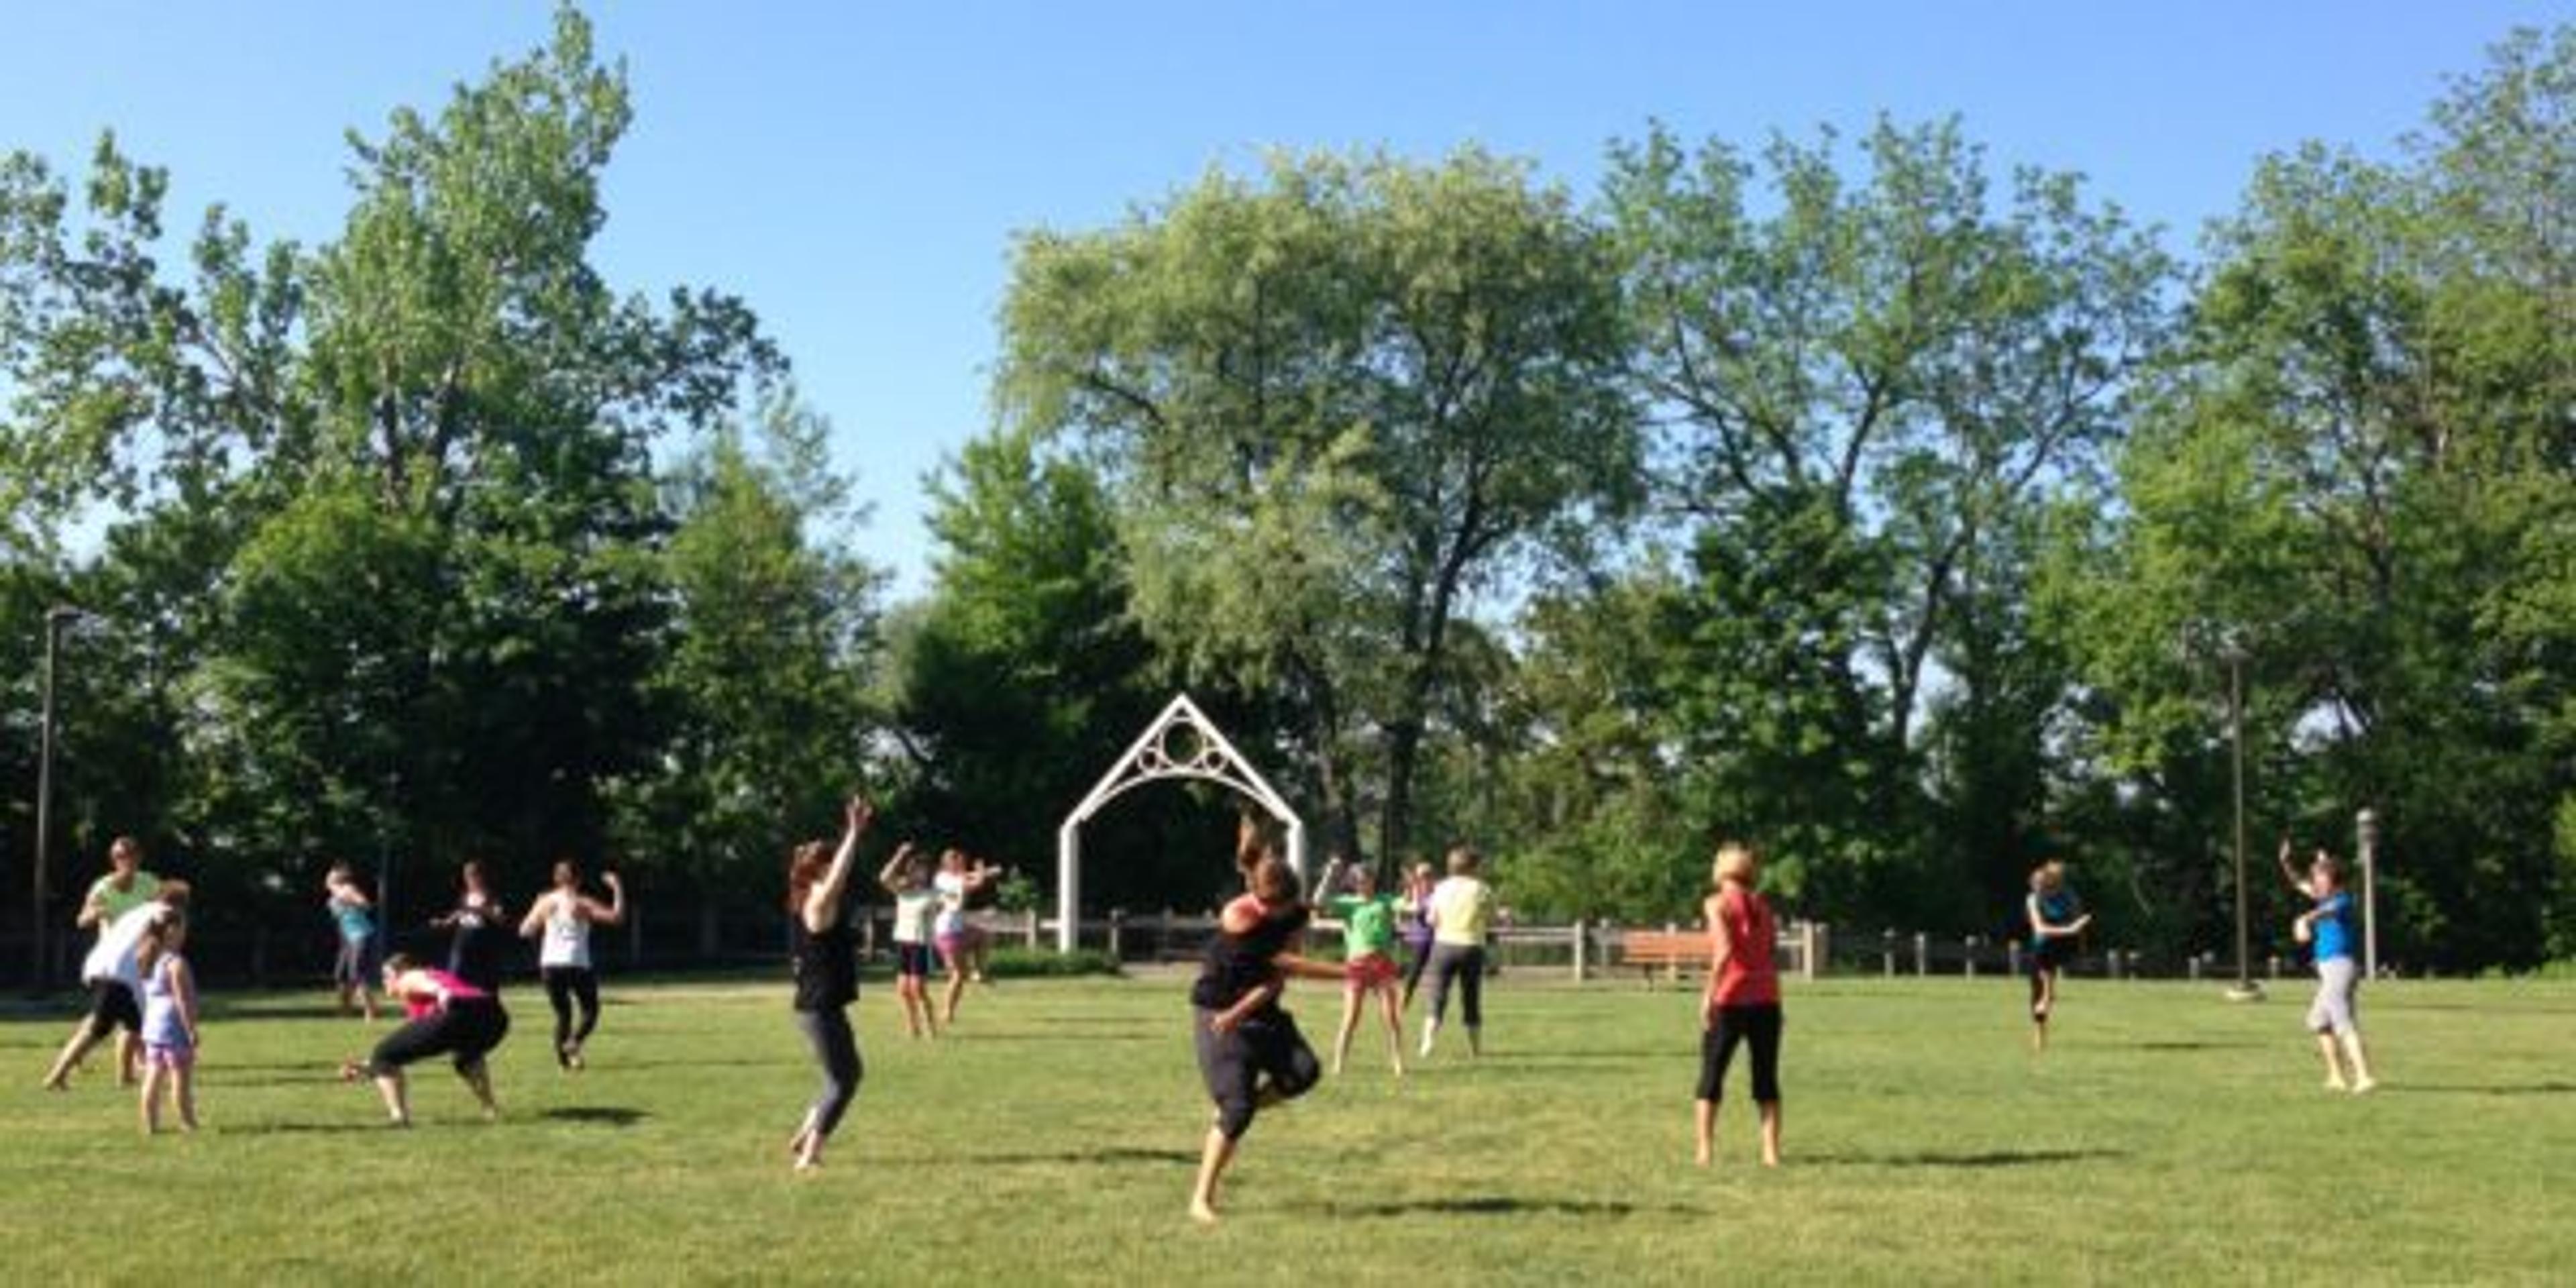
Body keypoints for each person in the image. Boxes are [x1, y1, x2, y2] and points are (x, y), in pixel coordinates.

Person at [1187, 832, 1347, 1225]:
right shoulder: (1240, 921)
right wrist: (1350, 972)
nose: (1290, 914)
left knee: (1303, 1073)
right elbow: (1287, 967)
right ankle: (1201, 1199)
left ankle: (1228, 1116)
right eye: (1283, 908)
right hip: (1219, 1015)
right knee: (1238, 1109)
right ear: (1263, 902)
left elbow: (1274, 982)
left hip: (1260, 1009)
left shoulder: (1286, 908)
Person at [786, 796, 873, 1171]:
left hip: (822, 1006)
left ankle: (806, 1136)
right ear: (818, 869)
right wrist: (853, 832)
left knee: (840, 1076)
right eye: (830, 859)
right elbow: (839, 875)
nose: (836, 864)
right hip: (820, 1009)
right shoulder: (818, 901)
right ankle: (810, 1156)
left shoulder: (809, 897)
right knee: (845, 1082)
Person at [44, 880, 190, 1092]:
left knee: (130, 1025)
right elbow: (171, 945)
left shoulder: (141, 910)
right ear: (180, 903)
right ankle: (58, 1076)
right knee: (100, 1028)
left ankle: (125, 1076)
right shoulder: (170, 914)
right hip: (123, 973)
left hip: (101, 965)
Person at [339, 955, 509, 1126]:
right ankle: (491, 1109)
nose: (384, 981)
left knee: (384, 1054)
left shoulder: (409, 977)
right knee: (466, 1058)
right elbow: (414, 1045)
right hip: (493, 1016)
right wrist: (369, 1067)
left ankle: (399, 1118)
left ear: (402, 970)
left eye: (387, 975)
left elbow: (422, 982)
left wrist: (440, 991)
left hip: (458, 1010)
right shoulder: (422, 993)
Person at [1695, 843, 1782, 1168]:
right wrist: (1779, 1003)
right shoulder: (1764, 906)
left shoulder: (1715, 904)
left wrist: (1707, 996)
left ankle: (1705, 1151)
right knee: (1766, 1077)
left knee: (1712, 1075)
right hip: (1766, 999)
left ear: (1720, 871)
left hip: (1730, 998)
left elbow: (1724, 951)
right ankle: (1770, 1153)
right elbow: (1771, 957)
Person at [2279, 839, 2377, 1093]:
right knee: (2319, 1022)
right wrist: (2286, 862)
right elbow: (2297, 882)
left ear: (2334, 879)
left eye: (2321, 876)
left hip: (2339, 967)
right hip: (2329, 969)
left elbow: (2324, 914)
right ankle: (2336, 1077)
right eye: (2315, 876)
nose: (2315, 881)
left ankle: (2364, 1077)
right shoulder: (2324, 898)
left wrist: (2304, 920)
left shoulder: (2342, 900)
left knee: (2342, 1021)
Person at [67, 837, 163, 1086]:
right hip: (113, 961)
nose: (125, 859)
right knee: (117, 1016)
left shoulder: (149, 883)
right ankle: (72, 1065)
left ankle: (133, 1065)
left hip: (141, 958)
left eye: (130, 854)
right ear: (114, 860)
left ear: (139, 857)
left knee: (124, 1015)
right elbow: (81, 920)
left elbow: (162, 913)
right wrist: (95, 913)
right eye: (119, 856)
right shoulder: (103, 887)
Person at [518, 860, 625, 1071]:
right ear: (578, 879)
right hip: (576, 962)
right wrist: (617, 887)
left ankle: (565, 1064)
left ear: (556, 879)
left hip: (549, 964)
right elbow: (617, 918)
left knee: (563, 1015)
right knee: (590, 1010)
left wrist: (537, 909)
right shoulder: (581, 902)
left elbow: (524, 931)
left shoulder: (545, 901)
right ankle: (574, 1043)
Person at [1317, 857, 1405, 1078]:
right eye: (1361, 881)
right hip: (1357, 965)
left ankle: (1398, 1063)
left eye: (1369, 880)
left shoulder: (1385, 900)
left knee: (1391, 1016)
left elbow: (1408, 905)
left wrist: (1413, 884)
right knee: (1351, 1016)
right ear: (1355, 883)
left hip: (1382, 963)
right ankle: (1339, 1064)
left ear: (1374, 881)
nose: (1366, 884)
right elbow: (1318, 901)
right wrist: (1329, 874)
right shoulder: (1348, 903)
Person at [1417, 845, 1496, 1059]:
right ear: (1473, 867)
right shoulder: (1482, 889)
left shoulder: (1440, 888)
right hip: (1472, 947)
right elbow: (1491, 919)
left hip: (1444, 946)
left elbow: (1430, 920)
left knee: (1437, 996)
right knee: (1471, 998)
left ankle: (1427, 1043)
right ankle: (1475, 1049)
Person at [135, 912, 201, 1136]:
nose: (185, 934)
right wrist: (191, 1029)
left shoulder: (148, 958)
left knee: (153, 1076)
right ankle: (188, 1123)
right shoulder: (176, 963)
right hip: (174, 1028)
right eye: (183, 929)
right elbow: (184, 1000)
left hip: (152, 1029)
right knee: (180, 1078)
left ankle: (150, 1126)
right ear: (171, 931)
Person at [2024, 860, 2092, 1053]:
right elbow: (2039, 929)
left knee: (2044, 987)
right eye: (2035, 884)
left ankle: (2048, 992)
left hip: (2060, 947)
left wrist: (2082, 951)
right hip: (2043, 948)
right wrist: (2071, 929)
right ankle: (2040, 1031)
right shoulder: (2032, 899)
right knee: (2037, 998)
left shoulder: (2069, 896)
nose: (2038, 887)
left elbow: (2080, 928)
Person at [879, 842, 940, 1040]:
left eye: (922, 870)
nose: (918, 873)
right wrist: (899, 853)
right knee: (903, 990)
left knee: (918, 989)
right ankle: (913, 1027)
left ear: (928, 873)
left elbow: (949, 901)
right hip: (903, 942)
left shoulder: (932, 894)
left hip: (920, 944)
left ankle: (931, 1028)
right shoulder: (903, 890)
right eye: (914, 870)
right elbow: (884, 877)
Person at [932, 849, 1000, 1027]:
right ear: (947, 864)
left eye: (963, 862)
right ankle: (948, 1011)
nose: (962, 864)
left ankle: (979, 972)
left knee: (984, 935)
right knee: (958, 975)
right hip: (947, 931)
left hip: (957, 929)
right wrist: (983, 872)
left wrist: (981, 873)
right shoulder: (944, 878)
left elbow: (968, 878)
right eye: (958, 862)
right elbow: (974, 883)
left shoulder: (951, 877)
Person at [429, 860, 511, 994]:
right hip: (463, 940)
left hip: (483, 942)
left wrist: (481, 910)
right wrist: (444, 922)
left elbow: (500, 918)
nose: (468, 879)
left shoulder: (492, 896)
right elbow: (459, 913)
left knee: (486, 982)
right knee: (456, 974)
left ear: (481, 876)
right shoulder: (465, 896)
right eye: (466, 876)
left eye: (472, 875)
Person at [324, 863, 382, 1022]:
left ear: (337, 878)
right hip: (348, 939)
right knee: (341, 975)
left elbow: (365, 904)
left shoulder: (347, 889)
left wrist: (350, 901)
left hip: (362, 935)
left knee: (357, 974)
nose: (327, 877)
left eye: (330, 875)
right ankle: (345, 1012)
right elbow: (342, 920)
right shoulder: (332, 897)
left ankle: (371, 1011)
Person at [1396, 861, 1438, 1010]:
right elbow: (1410, 909)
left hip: (1438, 939)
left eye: (1427, 876)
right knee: (1415, 971)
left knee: (1437, 973)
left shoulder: (1438, 894)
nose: (1424, 880)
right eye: (1421, 877)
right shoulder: (1415, 892)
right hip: (1421, 938)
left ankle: (1434, 1003)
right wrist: (1412, 888)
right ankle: (1404, 999)